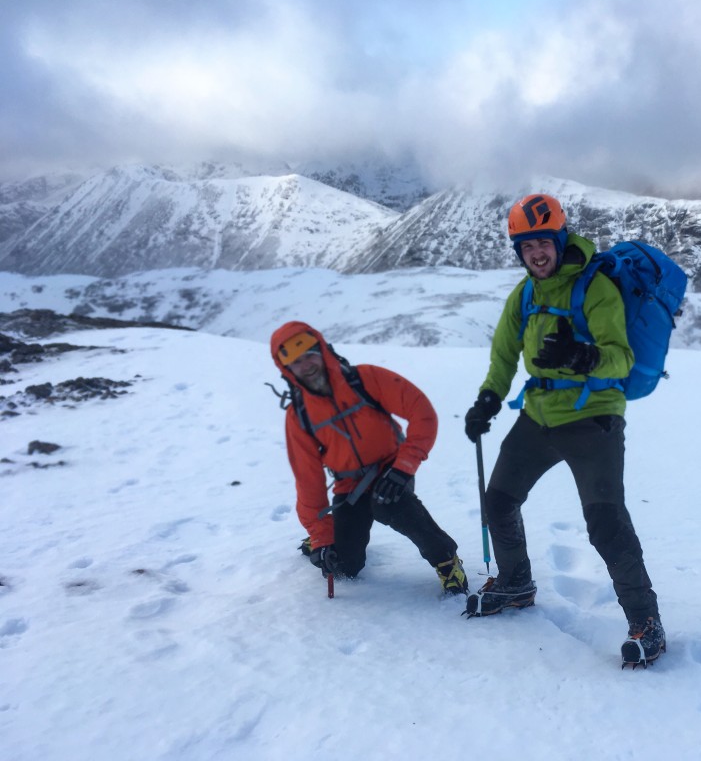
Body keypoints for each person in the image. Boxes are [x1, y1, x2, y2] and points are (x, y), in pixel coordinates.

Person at [462, 193, 666, 666]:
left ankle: (646, 622)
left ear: (560, 239)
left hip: (594, 416)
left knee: (605, 522)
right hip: (539, 414)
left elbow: (621, 358)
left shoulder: (594, 288)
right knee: (499, 501)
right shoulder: (526, 294)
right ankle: (515, 582)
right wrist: (488, 399)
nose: (536, 253)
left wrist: (582, 355)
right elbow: (503, 354)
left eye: (543, 242)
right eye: (526, 245)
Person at [271, 321, 468, 596]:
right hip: (349, 486)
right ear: (286, 370)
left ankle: (446, 560)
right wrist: (321, 536)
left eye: (310, 355)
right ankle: (328, 541)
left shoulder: (364, 380)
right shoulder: (300, 416)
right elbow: (308, 480)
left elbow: (422, 413)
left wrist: (404, 467)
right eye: (296, 362)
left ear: (323, 351)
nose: (306, 365)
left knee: (389, 503)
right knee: (345, 568)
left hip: (392, 470)